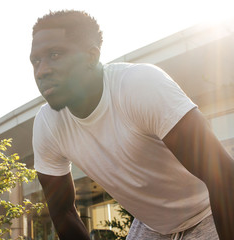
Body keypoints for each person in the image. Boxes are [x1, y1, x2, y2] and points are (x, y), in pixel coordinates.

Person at [30, 10, 234, 240]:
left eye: (55, 55)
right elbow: (63, 212)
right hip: (152, 228)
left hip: (211, 210)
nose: (41, 71)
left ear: (91, 56)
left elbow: (224, 176)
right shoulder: (47, 125)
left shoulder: (139, 86)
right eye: (35, 61)